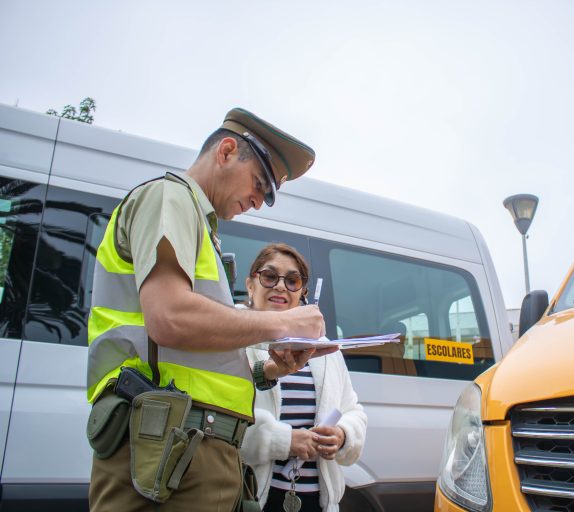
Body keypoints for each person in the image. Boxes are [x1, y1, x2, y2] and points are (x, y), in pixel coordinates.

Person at [87, 108, 331, 511]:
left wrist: (269, 369)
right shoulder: (170, 198)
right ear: (227, 151)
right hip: (170, 449)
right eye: (259, 183)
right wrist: (281, 322)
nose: (258, 202)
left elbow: (192, 352)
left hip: (185, 450)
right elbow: (170, 318)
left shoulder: (199, 226)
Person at [240, 243, 367, 512]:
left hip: (317, 503)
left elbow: (353, 411)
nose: (281, 287)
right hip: (251, 498)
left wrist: (342, 435)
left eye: (292, 280)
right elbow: (221, 424)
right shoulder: (235, 339)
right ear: (250, 285)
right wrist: (285, 441)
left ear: (303, 294)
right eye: (270, 276)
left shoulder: (325, 349)